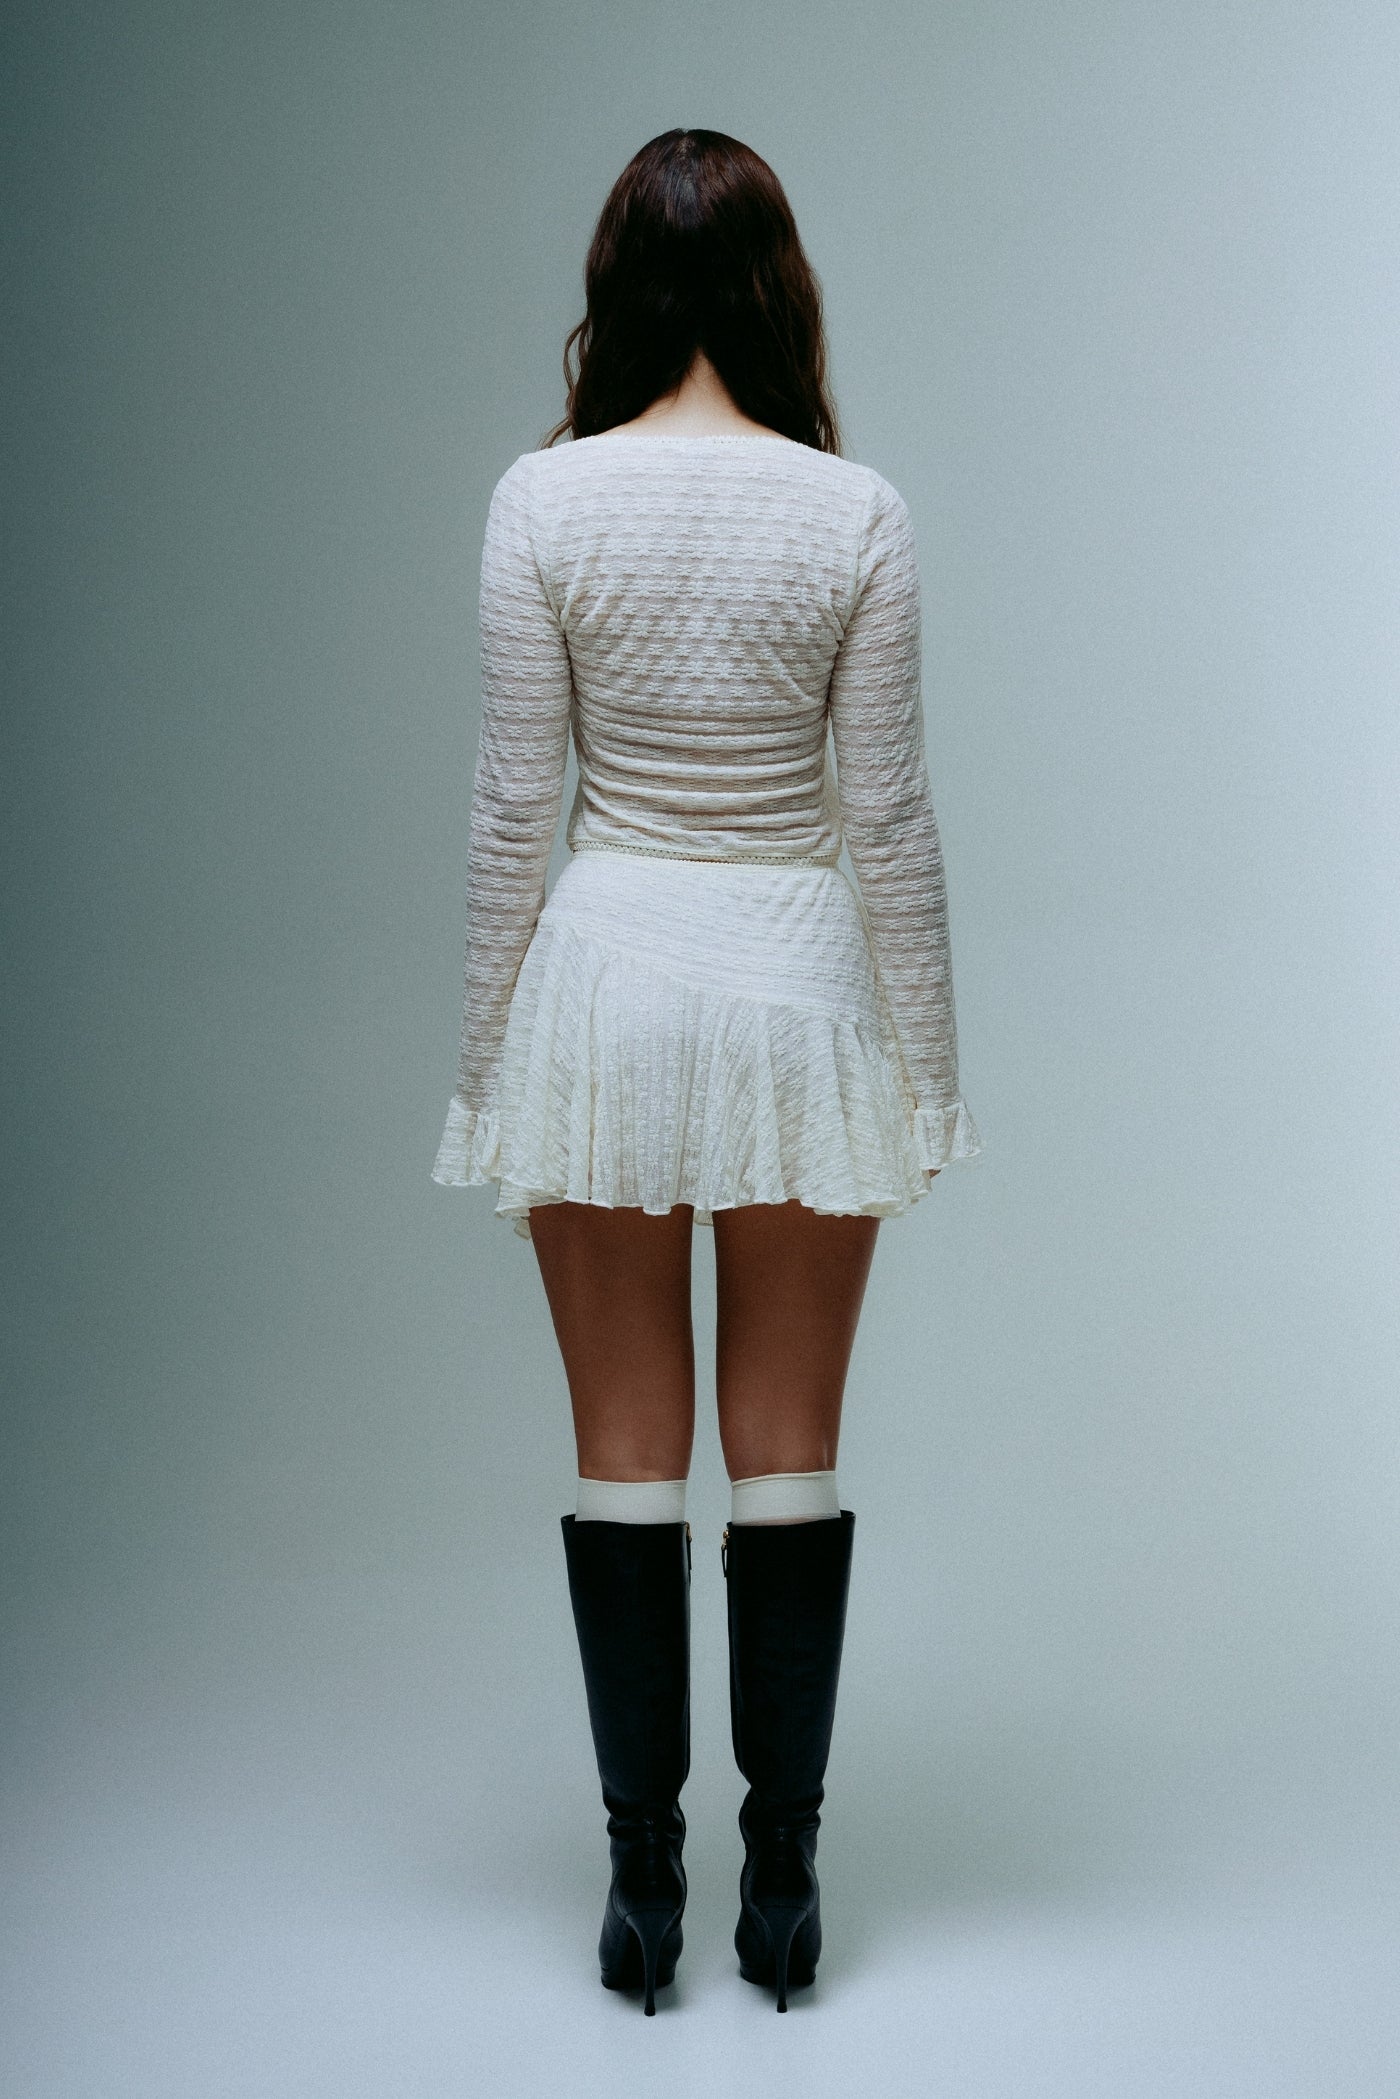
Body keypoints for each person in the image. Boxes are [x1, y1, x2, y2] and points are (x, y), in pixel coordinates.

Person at [431, 127, 983, 2014]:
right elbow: (887, 816)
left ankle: (642, 1890)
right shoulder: (857, 513)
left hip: (602, 981)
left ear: (613, 289)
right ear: (779, 288)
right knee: (789, 1448)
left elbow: (514, 810)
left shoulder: (541, 502)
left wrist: (487, 1064)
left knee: (624, 1449)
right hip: (798, 988)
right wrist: (930, 1070)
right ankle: (787, 1885)